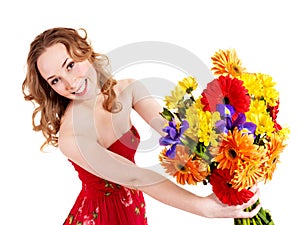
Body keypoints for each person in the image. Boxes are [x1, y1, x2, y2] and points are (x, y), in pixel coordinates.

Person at [22, 27, 261, 225]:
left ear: (83, 53)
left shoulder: (129, 89)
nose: (70, 82)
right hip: (100, 217)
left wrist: (234, 156)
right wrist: (204, 207)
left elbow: (176, 132)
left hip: (134, 205)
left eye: (70, 65)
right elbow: (135, 176)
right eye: (55, 80)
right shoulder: (71, 137)